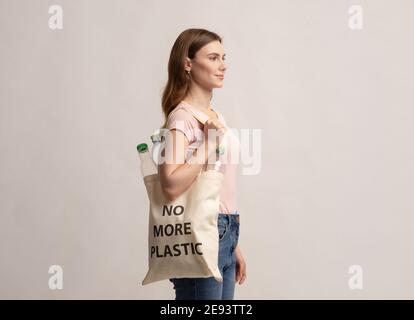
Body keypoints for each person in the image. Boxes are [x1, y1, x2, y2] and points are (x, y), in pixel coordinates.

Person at [158, 28, 246, 300]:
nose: (223, 65)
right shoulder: (181, 118)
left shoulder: (214, 115)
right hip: (200, 233)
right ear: (188, 63)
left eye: (223, 57)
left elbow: (216, 185)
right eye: (213, 57)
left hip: (223, 232)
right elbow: (170, 185)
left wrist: (233, 245)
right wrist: (208, 144)